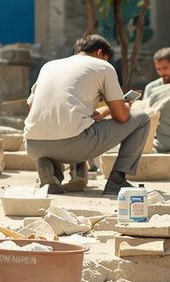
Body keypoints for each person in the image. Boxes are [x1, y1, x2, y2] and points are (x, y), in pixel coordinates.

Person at [25, 35, 151, 195]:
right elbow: (122, 117)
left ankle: (49, 168)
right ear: (100, 53)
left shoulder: (49, 66)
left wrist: (101, 111)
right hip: (74, 145)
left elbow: (31, 106)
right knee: (142, 120)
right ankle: (117, 181)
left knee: (62, 127)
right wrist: (126, 104)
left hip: (33, 146)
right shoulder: (103, 67)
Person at [144, 48, 170, 153]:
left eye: (165, 68)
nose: (162, 72)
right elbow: (146, 114)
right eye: (158, 69)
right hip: (158, 140)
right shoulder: (151, 87)